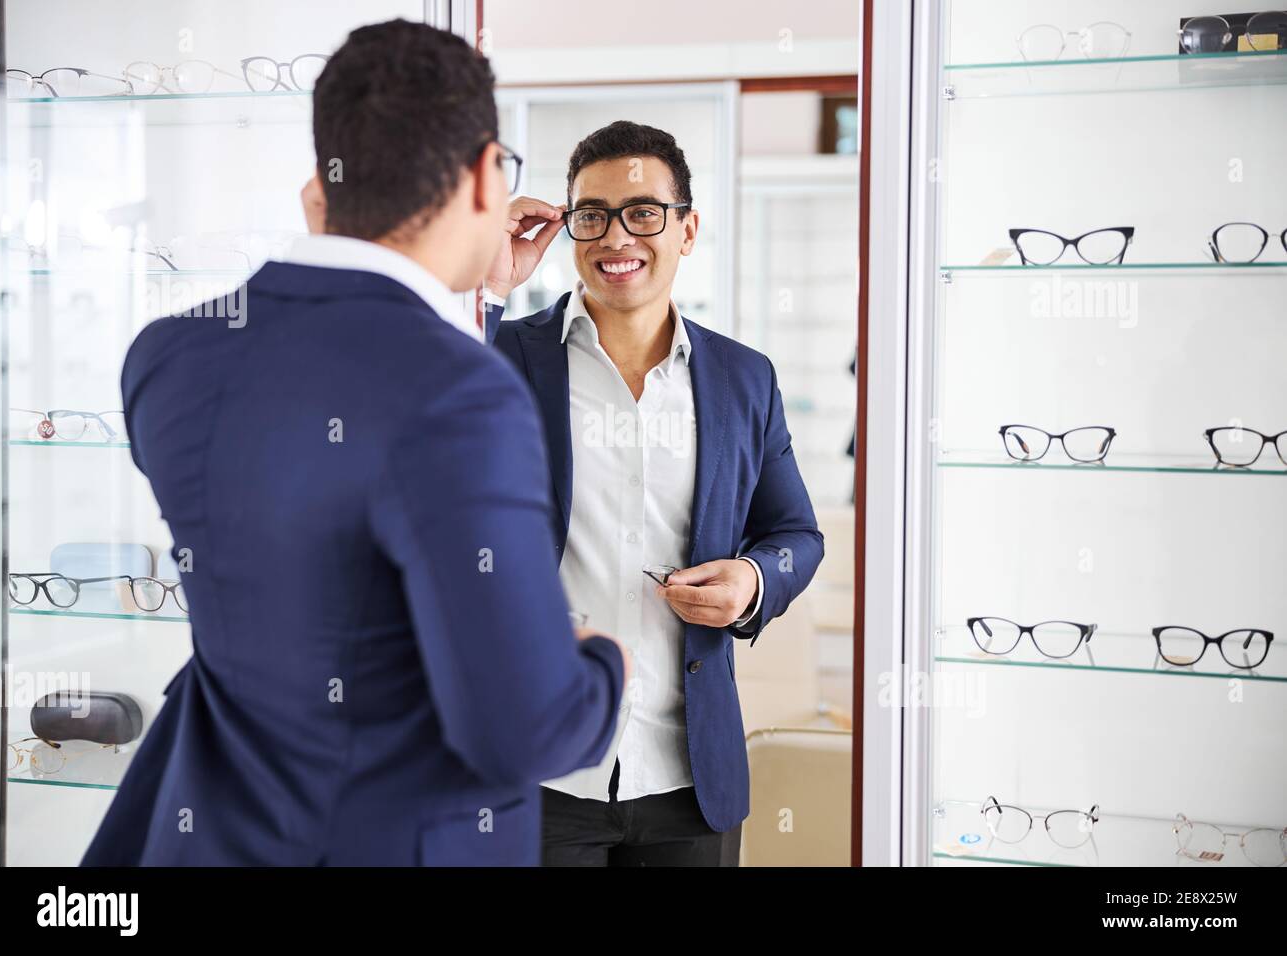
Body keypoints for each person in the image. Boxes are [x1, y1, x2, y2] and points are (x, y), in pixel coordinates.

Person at [81, 19, 626, 867]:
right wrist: (602, 663)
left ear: (324, 182)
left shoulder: (170, 358)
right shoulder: (460, 394)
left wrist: (457, 300)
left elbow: (345, 441)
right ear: (487, 174)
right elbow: (523, 730)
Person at [483, 121, 825, 866]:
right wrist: (489, 289)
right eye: (591, 215)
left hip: (687, 777)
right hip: (537, 770)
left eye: (643, 212)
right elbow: (416, 439)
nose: (616, 236)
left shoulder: (744, 378)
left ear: (687, 229)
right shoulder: (502, 356)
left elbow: (797, 533)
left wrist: (754, 580)